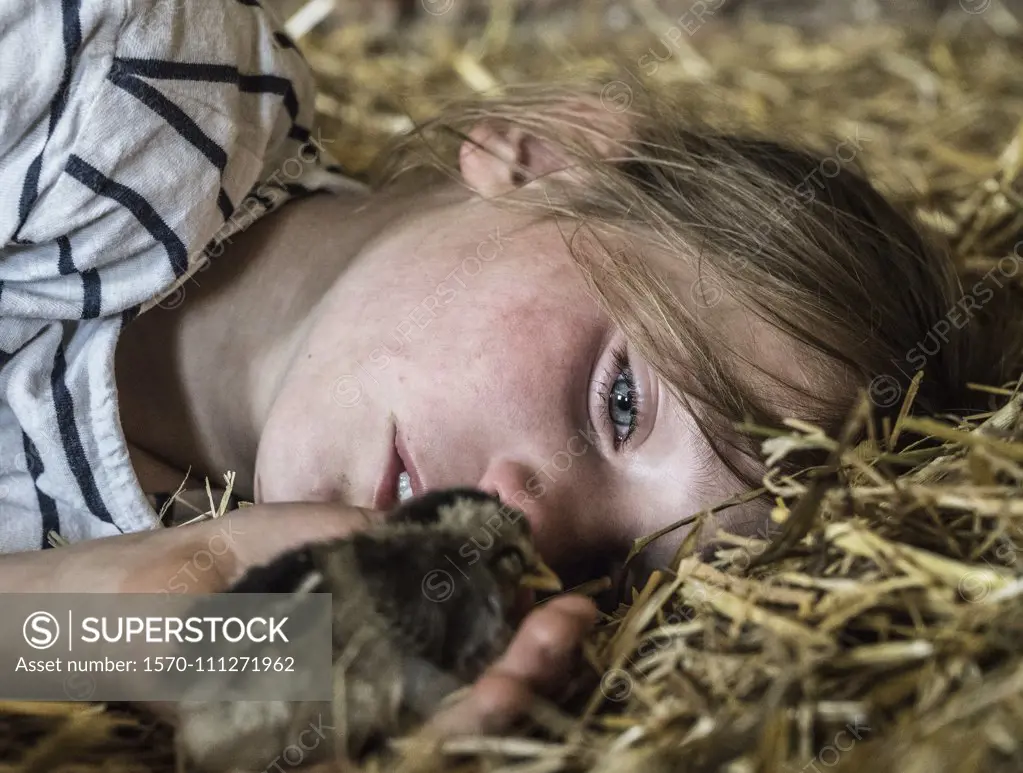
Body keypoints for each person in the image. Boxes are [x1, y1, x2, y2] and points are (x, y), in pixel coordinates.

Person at [2, 0, 1020, 741]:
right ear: (543, 158)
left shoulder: (191, 555)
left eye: (610, 574)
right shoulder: (129, 87)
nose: (529, 530)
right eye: (621, 399)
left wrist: (117, 614)